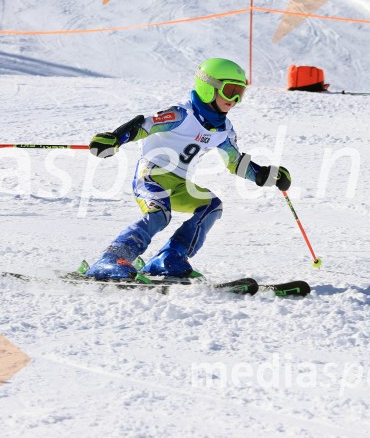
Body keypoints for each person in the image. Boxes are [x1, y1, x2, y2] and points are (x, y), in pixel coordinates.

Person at [85, 58, 292, 281]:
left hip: (180, 184)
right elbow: (144, 126)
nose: (234, 99)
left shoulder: (223, 130)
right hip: (152, 176)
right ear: (208, 87)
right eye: (229, 90)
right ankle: (112, 258)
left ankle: (169, 256)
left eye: (239, 93)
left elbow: (235, 162)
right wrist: (115, 138)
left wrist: (265, 175)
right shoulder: (181, 115)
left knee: (211, 206)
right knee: (159, 215)